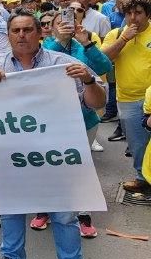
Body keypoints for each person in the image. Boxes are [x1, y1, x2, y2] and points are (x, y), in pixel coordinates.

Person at [0, 9, 105, 259]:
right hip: (10, 157)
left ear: (40, 33)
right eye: (16, 30)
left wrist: (88, 80)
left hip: (55, 156)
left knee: (64, 213)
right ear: (8, 35)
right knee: (11, 210)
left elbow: (98, 102)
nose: (21, 35)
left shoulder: (63, 64)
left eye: (27, 30)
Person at [29, 12, 112, 238]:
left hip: (83, 120)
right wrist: (59, 41)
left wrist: (87, 44)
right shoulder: (46, 47)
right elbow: (38, 68)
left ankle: (83, 215)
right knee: (47, 167)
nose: (64, 25)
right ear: (51, 28)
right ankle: (45, 209)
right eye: (58, 23)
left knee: (79, 169)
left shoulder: (84, 45)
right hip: (48, 123)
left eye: (69, 22)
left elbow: (104, 66)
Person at [101, 0, 151, 194]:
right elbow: (103, 60)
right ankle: (142, 178)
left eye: (138, 13)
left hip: (150, 99)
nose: (133, 17)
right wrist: (123, 39)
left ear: (148, 14)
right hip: (128, 99)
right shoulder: (116, 34)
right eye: (129, 13)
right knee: (137, 144)